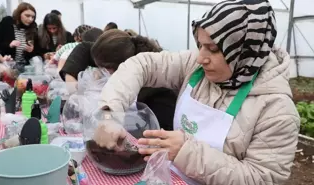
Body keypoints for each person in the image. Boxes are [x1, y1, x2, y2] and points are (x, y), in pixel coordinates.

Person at [92, 1, 300, 185]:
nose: (201, 57)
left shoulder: (277, 110)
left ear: (244, 51)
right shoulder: (194, 67)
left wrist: (186, 152)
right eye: (200, 45)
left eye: (213, 49)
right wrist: (109, 113)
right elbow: (141, 64)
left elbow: (262, 178)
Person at [91, 29, 177, 131]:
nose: (104, 73)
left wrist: (108, 120)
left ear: (119, 66)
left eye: (105, 69)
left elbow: (161, 129)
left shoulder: (156, 91)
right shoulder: (138, 76)